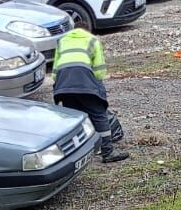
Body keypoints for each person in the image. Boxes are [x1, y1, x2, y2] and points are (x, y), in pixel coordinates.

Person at [52, 27, 127, 162]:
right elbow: (99, 71)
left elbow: (54, 72)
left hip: (63, 86)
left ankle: (75, 155)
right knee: (99, 116)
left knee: (74, 119)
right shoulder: (92, 40)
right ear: (88, 30)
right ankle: (107, 152)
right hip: (84, 84)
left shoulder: (62, 41)